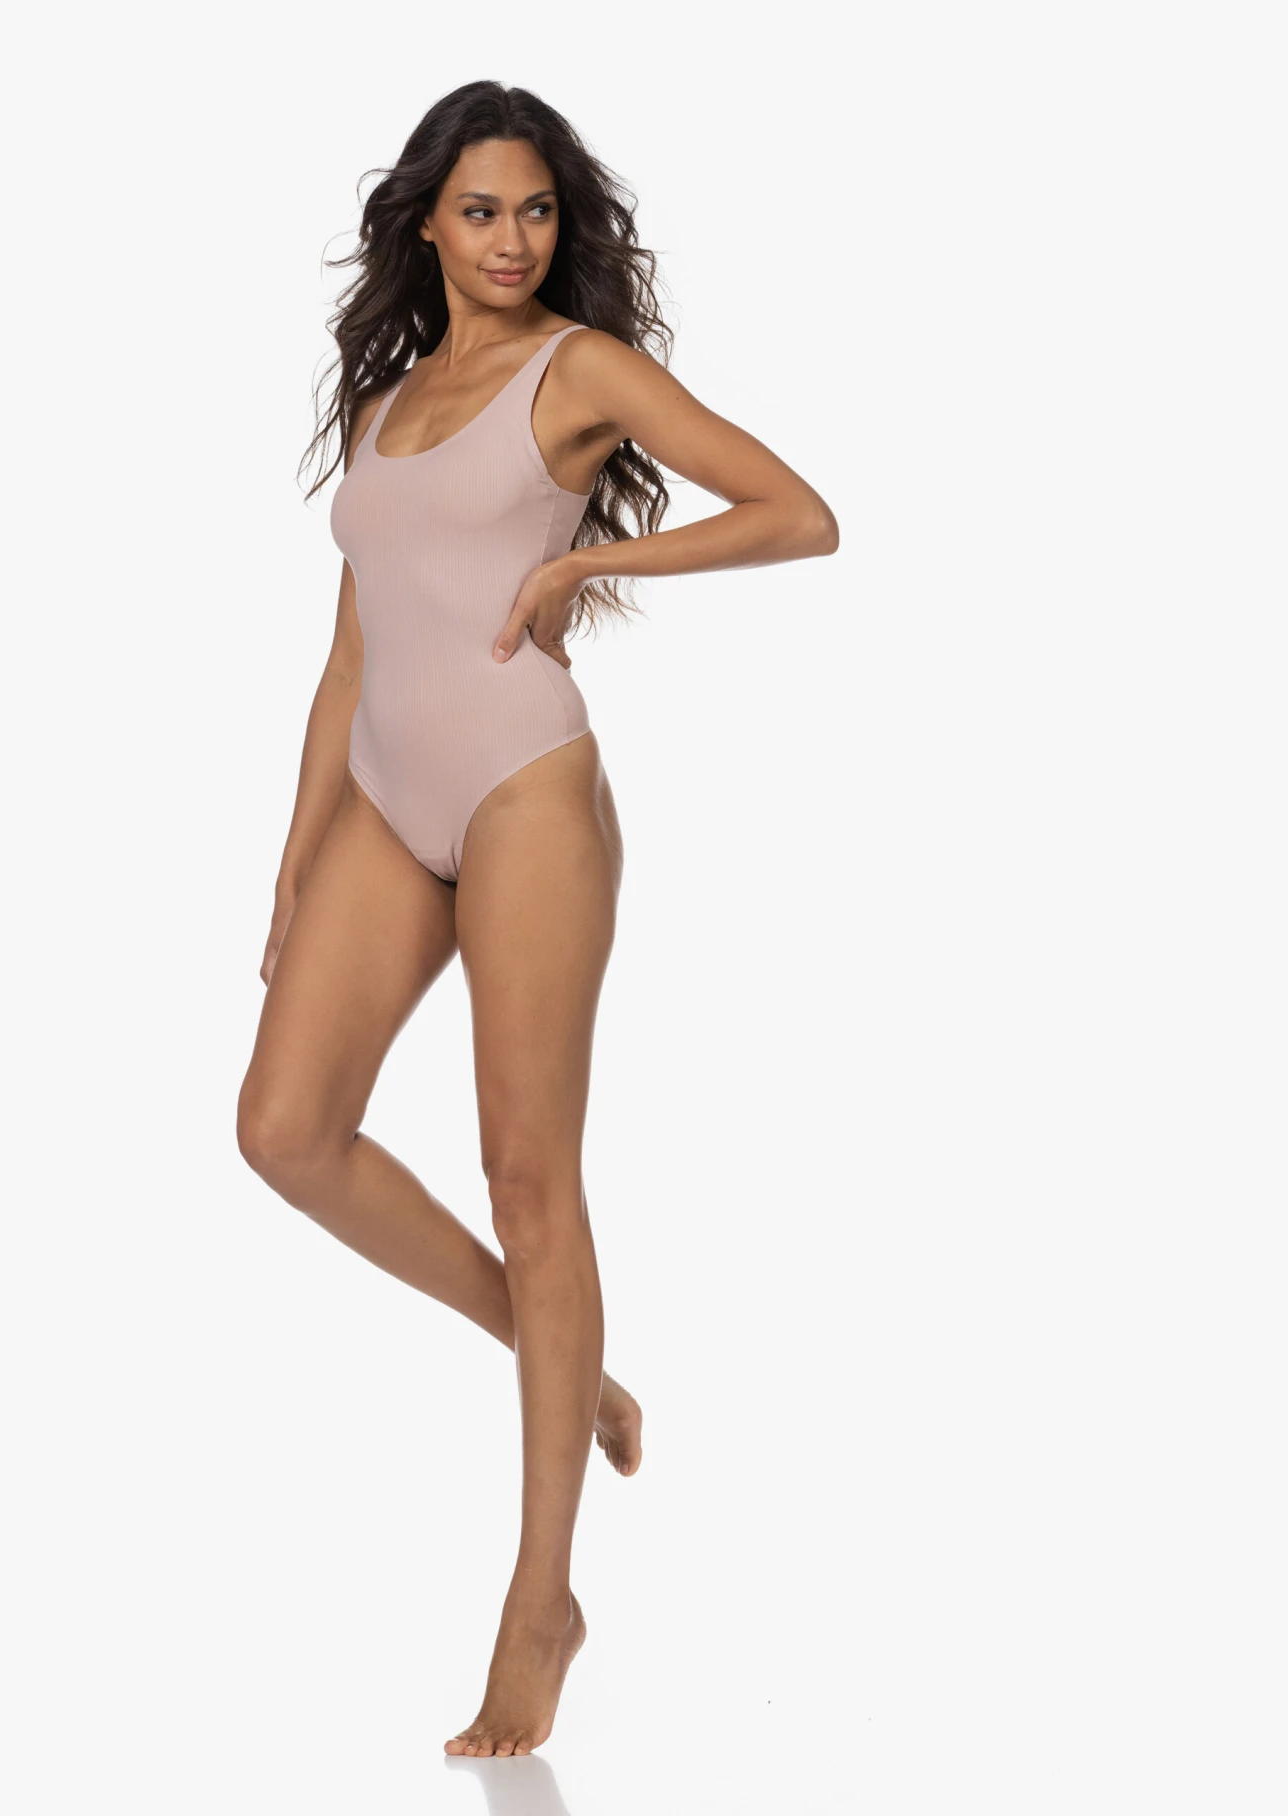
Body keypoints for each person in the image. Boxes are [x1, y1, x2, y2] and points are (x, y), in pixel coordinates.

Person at [237, 79, 838, 1761]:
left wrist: (583, 571)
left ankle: (541, 1601)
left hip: (523, 792)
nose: (513, 240)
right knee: (283, 1130)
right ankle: (569, 1363)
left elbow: (799, 512)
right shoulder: (387, 397)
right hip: (382, 795)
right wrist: (294, 854)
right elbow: (352, 648)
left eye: (538, 211)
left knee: (528, 1175)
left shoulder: (579, 370)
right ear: (426, 223)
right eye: (482, 210)